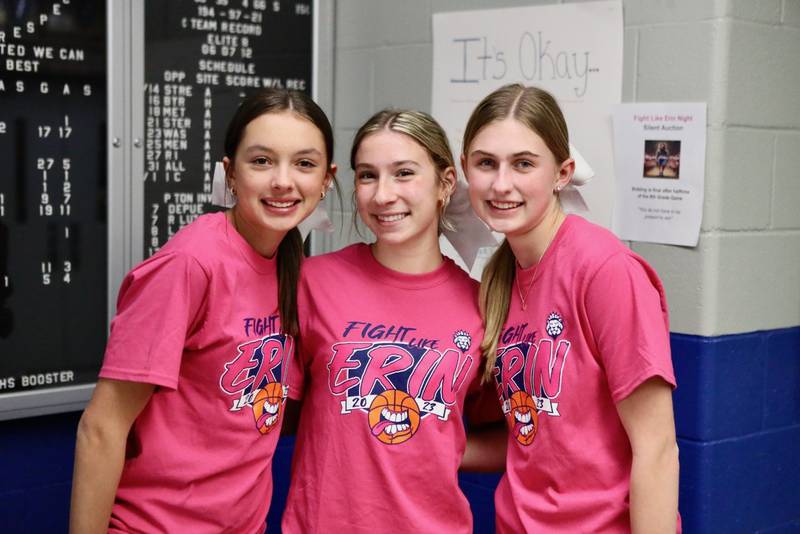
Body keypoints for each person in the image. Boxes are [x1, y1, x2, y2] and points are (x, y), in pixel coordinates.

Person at [69, 88, 337, 533]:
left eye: (303, 164)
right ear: (230, 174)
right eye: (262, 161)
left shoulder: (290, 263)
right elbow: (101, 428)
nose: (283, 181)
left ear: (326, 179)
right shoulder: (190, 264)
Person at [461, 84, 680, 533]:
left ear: (562, 172)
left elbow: (657, 448)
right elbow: (531, 437)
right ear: (466, 170)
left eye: (523, 163)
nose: (502, 184)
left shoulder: (604, 270)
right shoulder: (498, 282)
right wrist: (425, 441)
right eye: (486, 163)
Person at [281, 109, 501, 533]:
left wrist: (438, 445)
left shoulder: (481, 306)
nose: (383, 195)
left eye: (403, 173)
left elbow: (513, 437)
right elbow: (269, 412)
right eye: (367, 176)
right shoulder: (311, 283)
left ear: (446, 183)